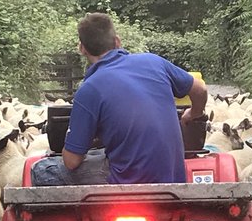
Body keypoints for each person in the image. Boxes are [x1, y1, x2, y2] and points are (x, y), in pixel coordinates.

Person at [30, 12, 208, 186]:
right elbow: (199, 88)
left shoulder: (89, 89)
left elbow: (71, 162)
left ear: (82, 48)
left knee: (42, 170)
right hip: (172, 176)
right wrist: (194, 113)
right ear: (117, 41)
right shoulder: (154, 62)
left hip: (126, 180)